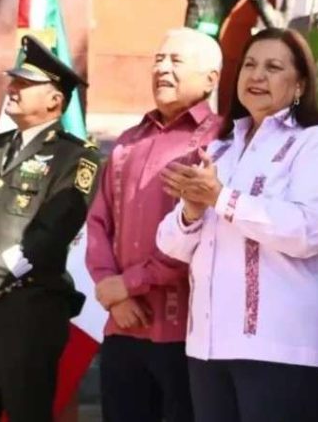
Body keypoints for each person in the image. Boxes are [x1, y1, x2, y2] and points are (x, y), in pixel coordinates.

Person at [156, 27, 318, 422]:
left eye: (272, 67)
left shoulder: (317, 142)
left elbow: (310, 230)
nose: (256, 76)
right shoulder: (223, 148)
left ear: (299, 84)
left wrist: (222, 199)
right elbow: (171, 245)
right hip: (210, 344)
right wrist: (193, 210)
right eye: (249, 65)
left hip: (285, 347)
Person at [0, 35, 101, 422]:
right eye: (14, 81)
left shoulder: (76, 158)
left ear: (54, 100)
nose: (11, 89)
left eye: (25, 85)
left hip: (27, 314)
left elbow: (51, 235)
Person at [85, 28, 224, 422]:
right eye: (158, 60)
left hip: (187, 333)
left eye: (176, 61)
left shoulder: (221, 141)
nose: (162, 68)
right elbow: (98, 222)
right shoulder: (128, 141)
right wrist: (114, 293)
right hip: (122, 325)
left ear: (211, 79)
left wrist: (127, 284)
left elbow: (200, 234)